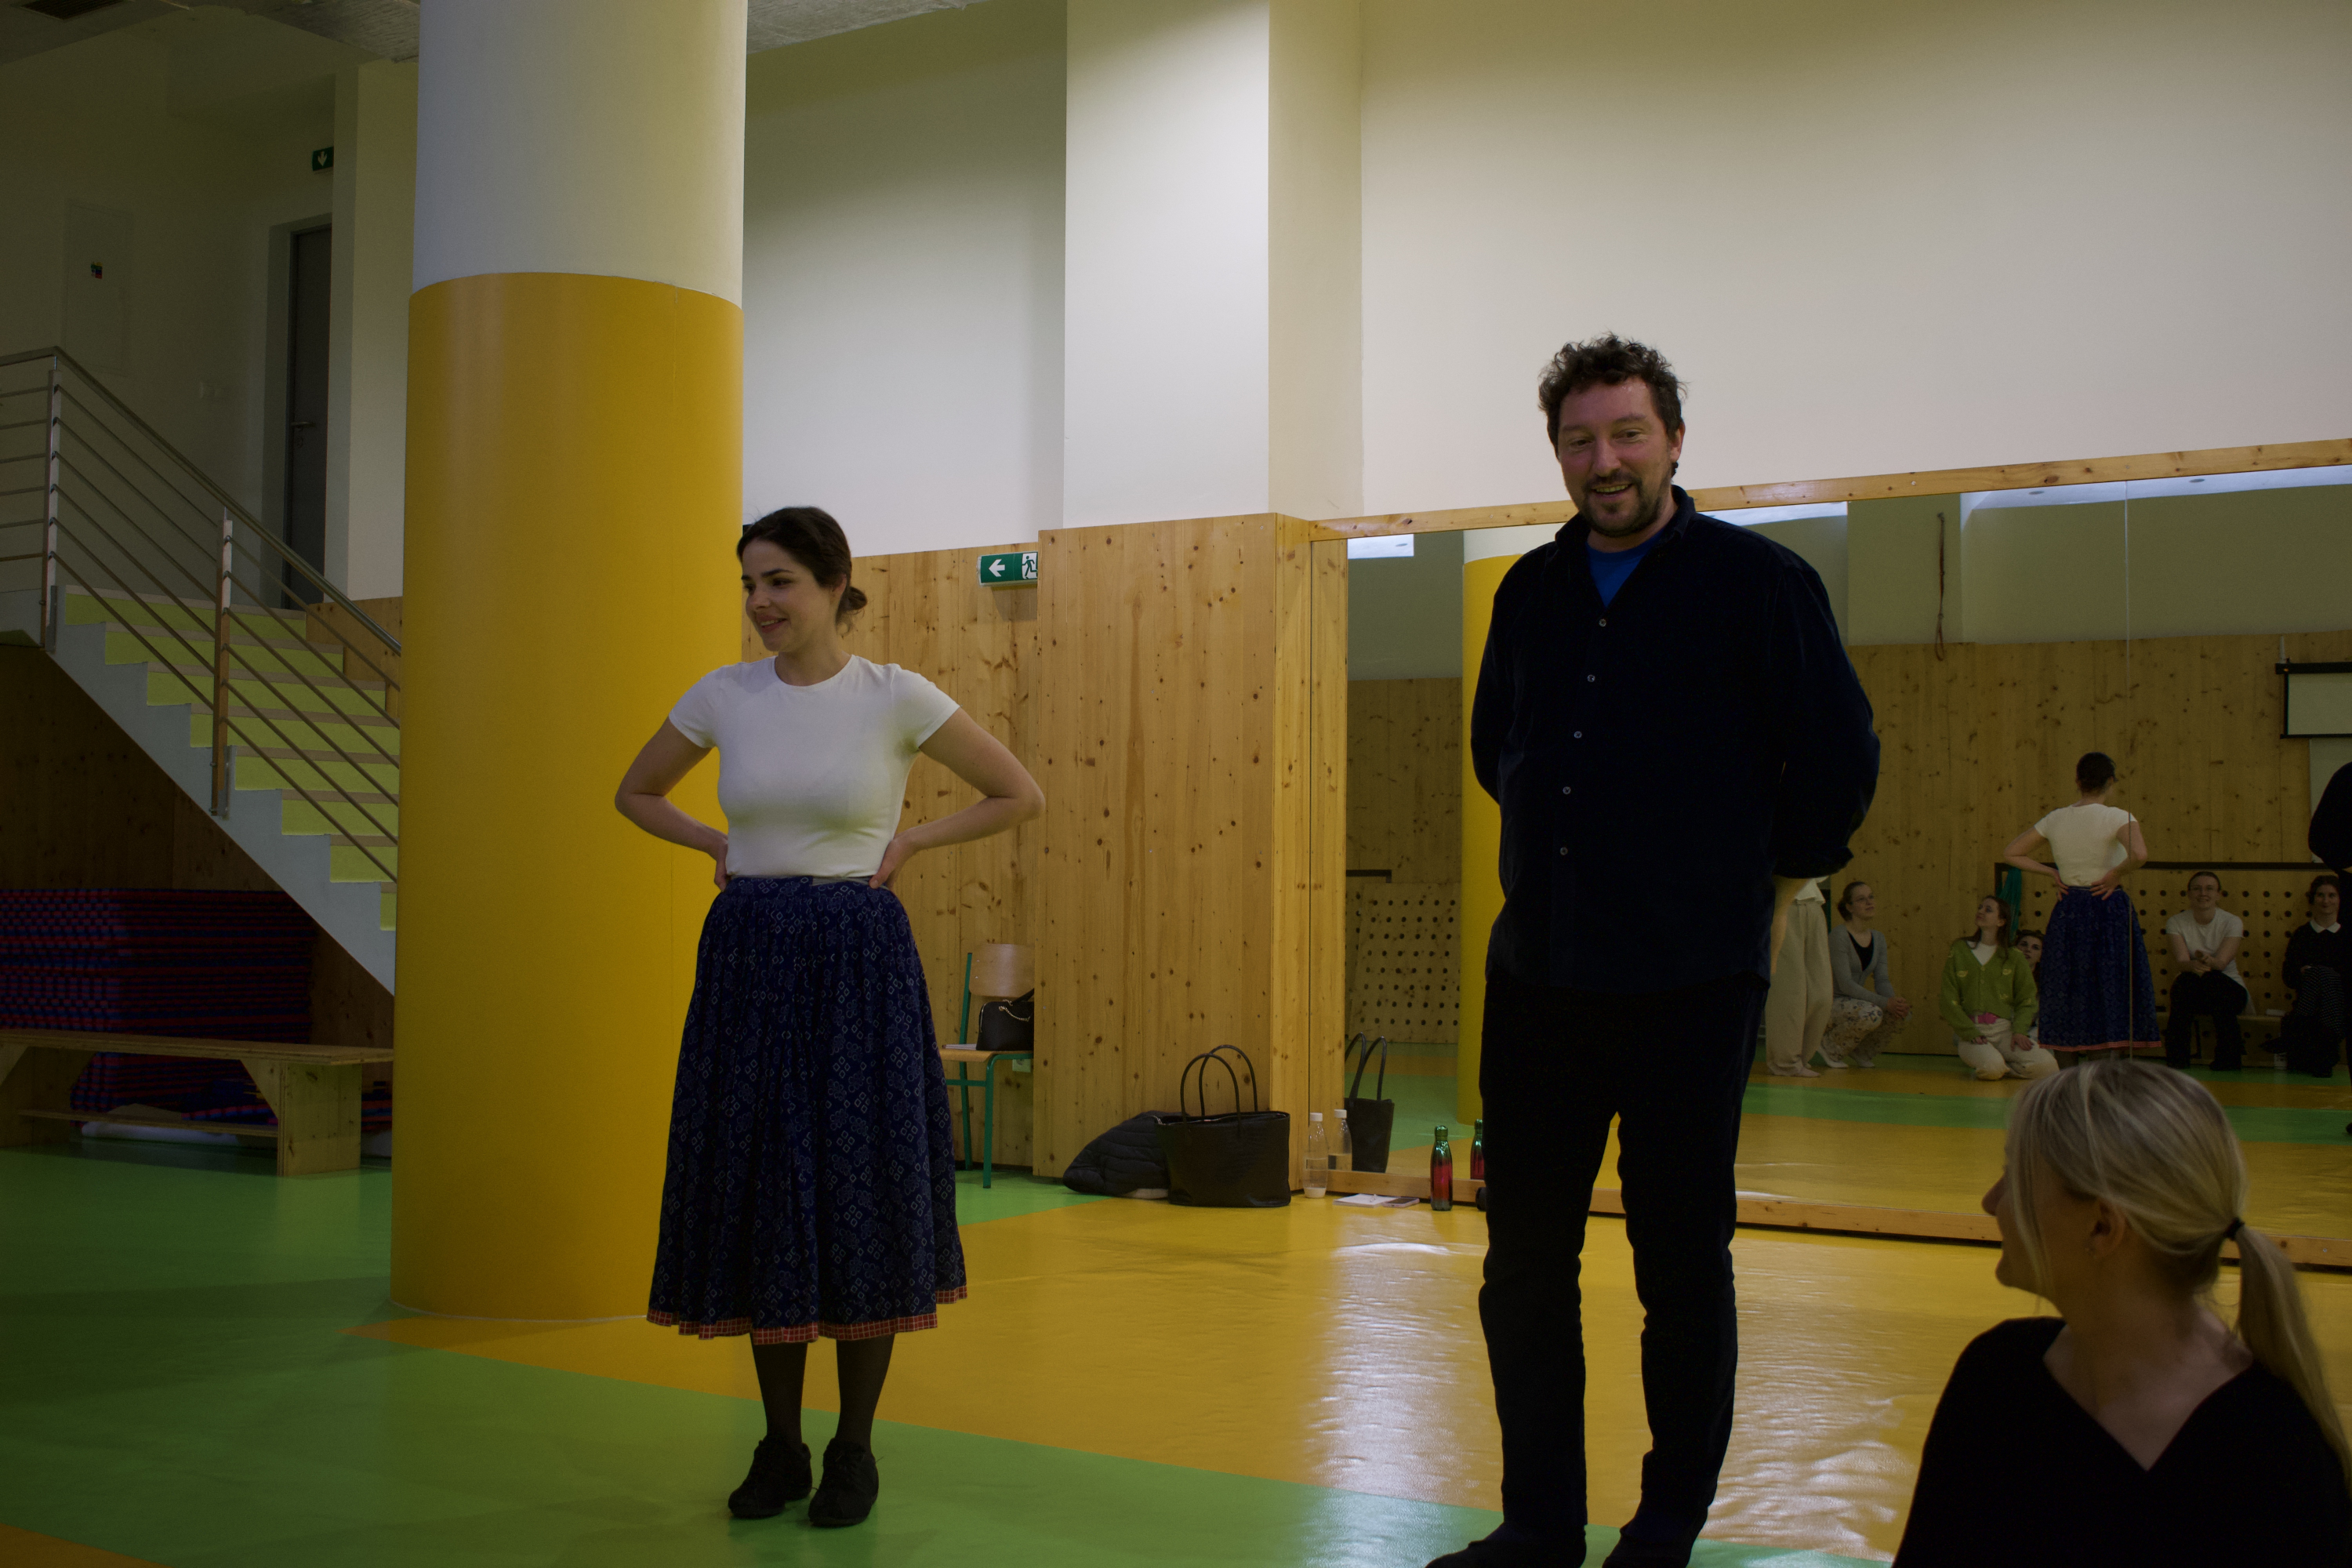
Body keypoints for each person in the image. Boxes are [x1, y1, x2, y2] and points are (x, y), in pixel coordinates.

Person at [1446, 335, 1878, 1568]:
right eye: (1580, 440)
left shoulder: (1760, 583)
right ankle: (1538, 1525)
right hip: (1540, 978)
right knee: (1524, 1266)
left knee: (1679, 1264)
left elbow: (1838, 758)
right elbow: (1501, 751)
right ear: (1558, 454)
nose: (1606, 461)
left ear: (1675, 440)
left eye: (1627, 433)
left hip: (1692, 982)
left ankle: (1665, 1527)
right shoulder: (1529, 593)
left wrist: (1760, 884)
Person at [613, 506, 1044, 1526]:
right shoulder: (723, 695)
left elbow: (1016, 793)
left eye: (781, 582)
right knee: (768, 1191)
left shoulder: (895, 695)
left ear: (836, 585)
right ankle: (781, 1446)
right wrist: (713, 844)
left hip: (857, 958)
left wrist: (914, 841)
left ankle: (854, 1449)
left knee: (860, 1189)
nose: (761, 602)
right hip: (749, 956)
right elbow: (636, 792)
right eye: (750, 584)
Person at [1893, 1060, 2352, 1565]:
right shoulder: (1996, 1375)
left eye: (2013, 1177)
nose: (1990, 1202)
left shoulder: (2273, 1457)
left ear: (2102, 1227)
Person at [2003, 752, 2160, 1064]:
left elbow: (2012, 852)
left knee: (2067, 988)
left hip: (2070, 907)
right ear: (2110, 781)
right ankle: (2101, 1077)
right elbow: (2140, 854)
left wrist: (2051, 873)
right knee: (2108, 988)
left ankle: (2068, 1078)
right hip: (2107, 905)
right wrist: (2115, 874)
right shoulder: (2118, 816)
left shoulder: (2056, 818)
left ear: (2077, 781)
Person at [1937, 895, 2053, 1080]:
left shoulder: (2014, 956)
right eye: (1980, 907)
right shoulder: (1960, 949)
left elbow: (2026, 999)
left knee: (2048, 1066)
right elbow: (1948, 997)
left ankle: (2004, 1067)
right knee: (1992, 1069)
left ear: (2001, 921)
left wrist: (2019, 1031)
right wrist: (1968, 1031)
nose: (1981, 911)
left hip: (2004, 1031)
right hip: (1971, 1031)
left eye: (1988, 909)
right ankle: (1995, 1064)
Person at [2161, 872, 2248, 1071]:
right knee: (2184, 982)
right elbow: (2182, 962)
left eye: (2209, 889)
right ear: (2189, 894)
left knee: (2213, 979)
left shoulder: (2232, 922)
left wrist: (2208, 961)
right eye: (2197, 889)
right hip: (2194, 990)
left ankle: (2229, 1058)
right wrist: (2193, 965)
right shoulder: (2176, 922)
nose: (2203, 893)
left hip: (2229, 991)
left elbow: (2221, 964)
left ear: (2218, 895)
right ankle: (2177, 1059)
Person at [1822, 880, 1910, 1068]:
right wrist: (1885, 1003)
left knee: (1901, 1013)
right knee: (1871, 1013)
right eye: (1861, 899)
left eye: (1871, 897)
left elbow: (1882, 979)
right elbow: (1845, 984)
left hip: (1855, 1003)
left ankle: (1860, 1051)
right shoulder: (1839, 936)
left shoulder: (1878, 938)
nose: (1869, 902)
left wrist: (1894, 1003)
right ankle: (1829, 1047)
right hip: (1830, 1002)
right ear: (1849, 907)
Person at [2278, 874, 2350, 1078]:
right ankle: (2324, 1054)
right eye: (2320, 895)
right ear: (2313, 899)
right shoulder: (2302, 935)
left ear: (2340, 899)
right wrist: (2303, 973)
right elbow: (2288, 977)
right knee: (2319, 974)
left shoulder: (2348, 935)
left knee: (2322, 973)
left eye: (2331, 895)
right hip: (2312, 1003)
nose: (2326, 901)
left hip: (2341, 1004)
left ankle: (2298, 1024)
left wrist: (2324, 976)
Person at [1762, 876, 1834, 1076]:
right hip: (1782, 903)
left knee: (1822, 993)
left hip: (1813, 903)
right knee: (1789, 990)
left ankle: (1801, 1057)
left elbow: (1821, 872)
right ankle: (1785, 1063)